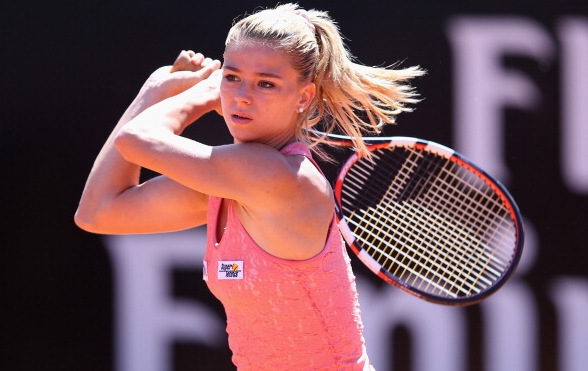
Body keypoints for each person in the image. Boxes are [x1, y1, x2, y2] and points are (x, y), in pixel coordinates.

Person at [75, 3, 423, 370]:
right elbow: (99, 211)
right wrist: (157, 90)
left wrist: (190, 94)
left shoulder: (274, 176)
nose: (242, 96)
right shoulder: (226, 185)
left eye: (266, 84)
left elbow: (136, 138)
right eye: (232, 76)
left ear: (303, 97)